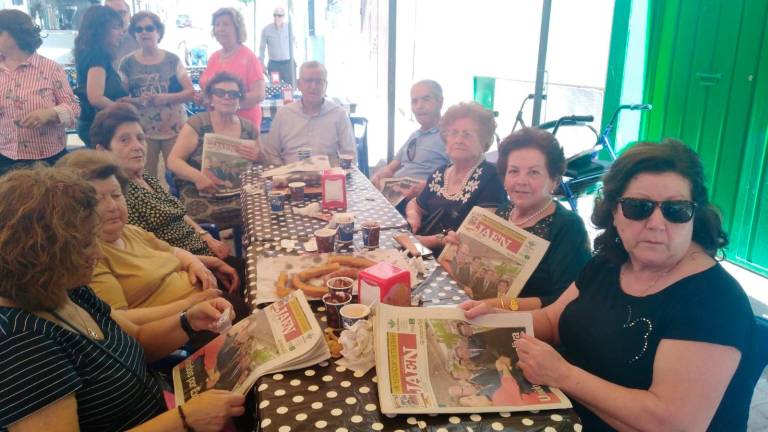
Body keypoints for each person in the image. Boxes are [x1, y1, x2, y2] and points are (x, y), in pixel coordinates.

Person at [460, 140, 757, 431]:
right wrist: (493, 320)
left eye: (676, 209)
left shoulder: (714, 301)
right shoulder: (610, 262)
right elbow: (552, 319)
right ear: (614, 211)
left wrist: (564, 375)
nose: (656, 223)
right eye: (639, 207)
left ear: (694, 214)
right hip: (561, 411)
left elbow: (673, 423)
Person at [0, 166, 245, 431]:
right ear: (39, 255)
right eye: (85, 244)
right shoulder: (20, 342)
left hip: (164, 405)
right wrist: (184, 420)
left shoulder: (67, 290)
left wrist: (189, 321)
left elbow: (137, 337)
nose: (99, 253)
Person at [56, 151, 251, 325]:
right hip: (189, 325)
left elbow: (173, 251)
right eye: (98, 200)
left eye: (116, 195)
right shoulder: (90, 258)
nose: (112, 207)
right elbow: (121, 321)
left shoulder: (131, 231)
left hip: (210, 299)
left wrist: (198, 264)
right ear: (75, 208)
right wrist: (190, 304)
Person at [448, 128, 591, 308]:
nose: (521, 181)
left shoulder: (568, 227)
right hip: (478, 309)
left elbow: (565, 300)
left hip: (530, 326)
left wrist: (501, 306)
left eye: (533, 172)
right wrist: (456, 248)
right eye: (513, 171)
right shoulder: (504, 211)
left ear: (554, 180)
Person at [88, 102, 231, 258]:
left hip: (202, 250)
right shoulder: (118, 193)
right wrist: (204, 263)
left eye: (140, 138)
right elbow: (147, 254)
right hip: (183, 270)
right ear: (102, 151)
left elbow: (178, 212)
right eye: (124, 140)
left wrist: (207, 237)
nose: (137, 146)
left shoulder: (145, 177)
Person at [405, 101, 506, 251]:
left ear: (483, 141)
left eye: (467, 134)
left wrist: (433, 240)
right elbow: (416, 203)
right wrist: (413, 215)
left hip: (455, 261)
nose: (458, 140)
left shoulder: (492, 177)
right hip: (421, 251)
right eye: (454, 133)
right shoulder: (440, 173)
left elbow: (480, 235)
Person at [167, 72, 261, 229]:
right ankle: (207, 251)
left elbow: (264, 162)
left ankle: (252, 251)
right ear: (210, 97)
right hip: (200, 191)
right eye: (220, 92)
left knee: (261, 211)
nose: (226, 97)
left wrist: (258, 156)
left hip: (240, 193)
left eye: (233, 94)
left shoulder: (249, 128)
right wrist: (198, 177)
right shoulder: (197, 123)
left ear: (239, 99)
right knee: (197, 216)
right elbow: (173, 161)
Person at [0, 9, 80, 176]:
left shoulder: (50, 68)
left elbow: (74, 107)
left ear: (16, 34)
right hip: (5, 158)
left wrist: (50, 113)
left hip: (47, 160)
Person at [119, 11, 194, 178]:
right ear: (134, 35)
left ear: (158, 32)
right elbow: (122, 99)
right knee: (145, 177)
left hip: (174, 129)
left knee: (178, 177)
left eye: (149, 28)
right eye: (139, 29)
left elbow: (190, 93)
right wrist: (138, 100)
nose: (144, 32)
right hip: (142, 132)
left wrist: (166, 98)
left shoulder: (172, 60)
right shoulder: (126, 64)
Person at [371, 80, 449, 208]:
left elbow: (460, 180)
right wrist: (378, 177)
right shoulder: (415, 135)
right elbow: (391, 167)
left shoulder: (449, 136)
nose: (419, 106)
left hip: (419, 203)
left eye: (426, 99)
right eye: (415, 101)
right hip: (393, 196)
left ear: (440, 102)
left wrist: (429, 188)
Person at [263, 61, 356, 165]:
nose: (313, 86)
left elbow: (349, 154)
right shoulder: (283, 114)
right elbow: (271, 153)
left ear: (326, 85)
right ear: (299, 84)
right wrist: (282, 174)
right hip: (289, 178)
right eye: (308, 81)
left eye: (318, 81)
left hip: (328, 177)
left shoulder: (339, 115)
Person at [200, 7, 265, 128]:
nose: (220, 29)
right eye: (217, 25)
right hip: (217, 122)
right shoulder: (214, 57)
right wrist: (204, 97)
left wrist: (228, 102)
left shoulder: (248, 57)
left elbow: (259, 94)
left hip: (243, 123)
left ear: (237, 28)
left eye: (226, 24)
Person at [74, 5, 129, 148]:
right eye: (116, 28)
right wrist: (124, 110)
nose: (121, 33)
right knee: (133, 165)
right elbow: (96, 97)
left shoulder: (87, 53)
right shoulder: (98, 56)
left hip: (91, 122)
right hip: (99, 124)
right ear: (101, 29)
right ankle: (147, 173)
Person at [259, 7, 295, 85]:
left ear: (283, 17)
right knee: (275, 86)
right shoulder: (266, 30)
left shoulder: (290, 28)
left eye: (279, 15)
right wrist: (261, 63)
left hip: (288, 64)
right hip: (274, 65)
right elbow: (262, 48)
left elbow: (295, 43)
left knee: (290, 87)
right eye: (275, 15)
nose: (276, 18)